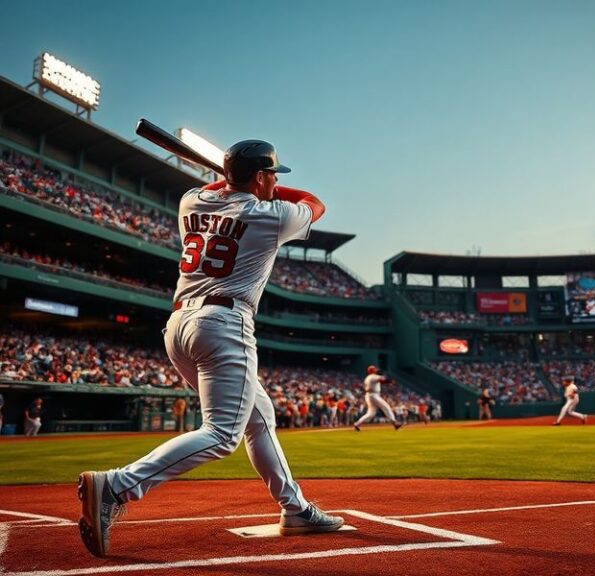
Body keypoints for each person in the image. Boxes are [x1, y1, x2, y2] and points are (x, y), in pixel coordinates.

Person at [77, 138, 343, 558]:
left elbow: (221, 192)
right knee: (221, 435)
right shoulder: (270, 216)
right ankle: (117, 485)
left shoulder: (191, 201)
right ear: (259, 177)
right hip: (224, 324)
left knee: (261, 416)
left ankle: (295, 509)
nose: (276, 181)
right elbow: (316, 202)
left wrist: (242, 181)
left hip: (179, 326)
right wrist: (264, 187)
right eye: (272, 173)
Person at [353, 365, 402, 431]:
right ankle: (395, 422)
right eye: (375, 369)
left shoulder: (367, 378)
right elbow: (383, 380)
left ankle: (357, 424)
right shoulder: (374, 376)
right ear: (373, 371)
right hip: (374, 395)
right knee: (386, 407)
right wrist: (390, 381)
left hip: (369, 396)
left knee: (370, 413)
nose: (376, 370)